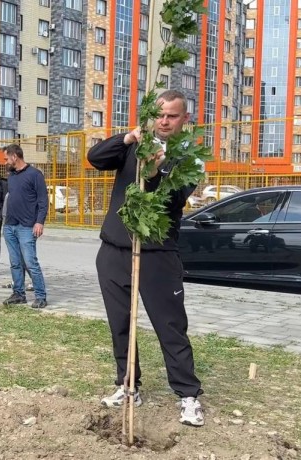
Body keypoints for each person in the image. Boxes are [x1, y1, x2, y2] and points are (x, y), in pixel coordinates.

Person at [87, 89, 204, 427]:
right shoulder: (135, 146)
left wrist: (154, 173)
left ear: (185, 120)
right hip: (114, 251)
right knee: (120, 324)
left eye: (172, 115)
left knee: (170, 326)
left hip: (157, 254)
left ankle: (187, 395)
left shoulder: (189, 157)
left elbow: (175, 197)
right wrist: (128, 138)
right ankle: (128, 385)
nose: (164, 121)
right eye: (159, 114)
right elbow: (96, 158)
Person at [1, 144, 48, 309]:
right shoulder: (12, 176)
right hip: (10, 226)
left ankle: (41, 296)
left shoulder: (35, 175)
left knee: (30, 262)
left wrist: (39, 222)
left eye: (6, 158)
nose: (5, 162)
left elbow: (43, 201)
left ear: (15, 157)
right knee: (15, 262)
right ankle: (18, 294)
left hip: (27, 227)